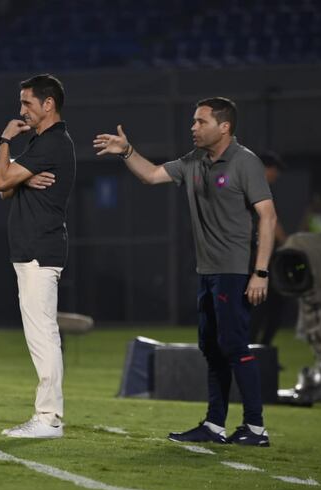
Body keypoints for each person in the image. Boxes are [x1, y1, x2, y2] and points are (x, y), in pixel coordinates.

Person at [94, 97, 277, 446]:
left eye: (200, 122)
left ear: (224, 127)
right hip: (207, 271)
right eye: (193, 121)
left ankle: (255, 428)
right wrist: (126, 150)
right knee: (211, 348)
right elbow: (150, 175)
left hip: (235, 272)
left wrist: (261, 272)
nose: (193, 127)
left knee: (235, 346)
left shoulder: (245, 162)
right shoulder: (193, 161)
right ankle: (214, 425)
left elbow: (268, 216)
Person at [0, 73, 75, 439]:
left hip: (39, 250)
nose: (21, 110)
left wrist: (6, 139)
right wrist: (22, 178)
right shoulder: (43, 144)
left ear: (48, 105)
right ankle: (46, 416)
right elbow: (5, 190)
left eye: (27, 103)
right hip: (32, 250)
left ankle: (49, 418)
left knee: (43, 335)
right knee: (40, 334)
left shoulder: (52, 142)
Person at [248, 152, 288, 347]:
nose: (276, 175)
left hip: (256, 258)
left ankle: (260, 350)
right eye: (275, 170)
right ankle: (255, 351)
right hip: (253, 259)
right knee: (262, 305)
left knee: (271, 305)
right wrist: (289, 246)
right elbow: (271, 224)